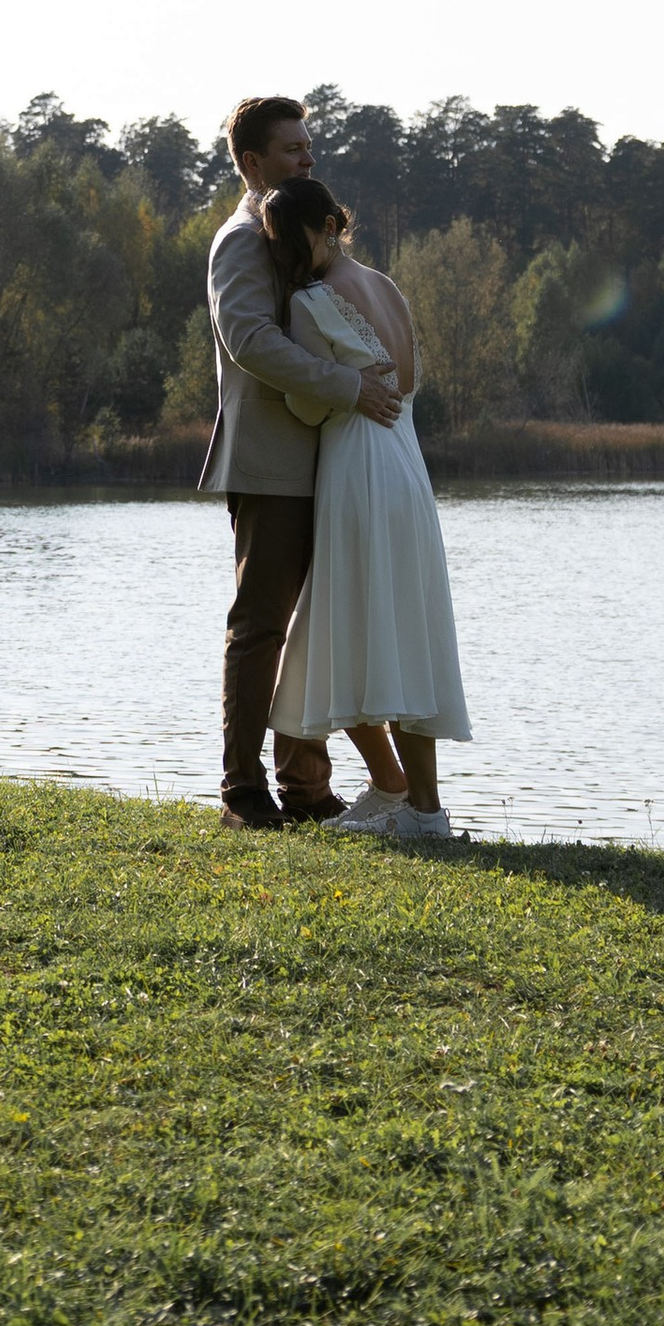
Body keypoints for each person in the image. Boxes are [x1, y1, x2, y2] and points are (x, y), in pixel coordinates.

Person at [198, 94, 407, 830]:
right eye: (292, 149)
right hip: (272, 467)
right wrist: (349, 387)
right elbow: (249, 339)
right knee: (261, 630)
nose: (308, 158)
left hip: (335, 464)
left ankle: (308, 790)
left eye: (309, 146)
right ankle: (243, 795)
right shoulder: (240, 241)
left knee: (320, 629)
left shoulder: (292, 230)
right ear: (251, 162)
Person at [260, 173, 469, 844]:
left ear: (327, 224)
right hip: (408, 469)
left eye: (292, 239)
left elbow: (309, 401)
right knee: (395, 631)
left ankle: (419, 809)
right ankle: (401, 794)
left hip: (359, 470)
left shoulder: (311, 301)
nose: (289, 254)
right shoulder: (389, 288)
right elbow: (407, 383)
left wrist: (320, 391)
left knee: (350, 634)